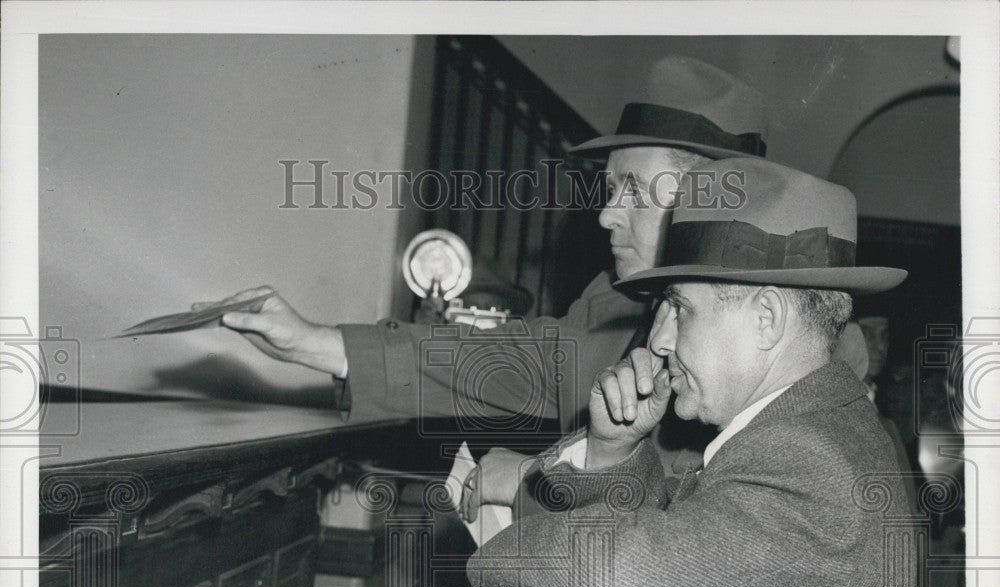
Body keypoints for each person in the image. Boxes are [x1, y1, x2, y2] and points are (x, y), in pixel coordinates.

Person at [466, 157, 915, 587]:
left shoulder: (815, 461)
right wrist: (616, 452)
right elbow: (689, 545)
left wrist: (494, 551)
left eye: (680, 308)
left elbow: (635, 582)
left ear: (765, 319)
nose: (658, 339)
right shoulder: (797, 429)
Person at [210, 56, 767, 435]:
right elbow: (504, 364)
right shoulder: (619, 305)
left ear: (709, 203)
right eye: (609, 188)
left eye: (635, 192)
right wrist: (315, 343)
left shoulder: (767, 342)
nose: (604, 215)